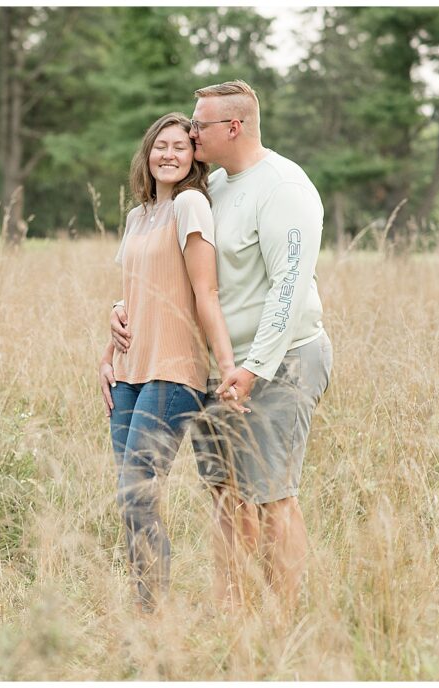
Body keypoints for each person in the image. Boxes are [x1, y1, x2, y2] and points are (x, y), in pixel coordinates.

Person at [111, 80, 333, 613]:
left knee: (272, 495)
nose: (189, 133)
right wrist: (121, 312)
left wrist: (254, 366)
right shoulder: (217, 187)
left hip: (281, 363)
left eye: (198, 125)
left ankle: (284, 624)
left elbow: (290, 285)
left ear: (233, 126)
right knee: (225, 495)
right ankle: (234, 613)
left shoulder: (284, 187)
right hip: (218, 369)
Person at [98, 112, 246, 615]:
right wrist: (107, 353)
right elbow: (130, 295)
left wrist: (225, 365)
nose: (169, 154)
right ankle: (146, 607)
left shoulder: (190, 204)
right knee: (129, 497)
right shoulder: (138, 216)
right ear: (147, 152)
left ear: (193, 157)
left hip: (173, 370)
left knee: (138, 493)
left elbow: (206, 291)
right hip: (129, 375)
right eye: (160, 145)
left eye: (180, 146)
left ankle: (153, 611)